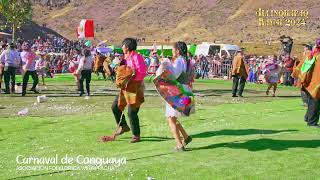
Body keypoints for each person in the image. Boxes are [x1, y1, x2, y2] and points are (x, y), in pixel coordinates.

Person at [111, 38, 147, 143]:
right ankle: (124, 126)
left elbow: (142, 73)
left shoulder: (137, 57)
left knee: (132, 112)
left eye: (123, 46)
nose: (122, 48)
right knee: (115, 106)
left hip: (135, 88)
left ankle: (136, 135)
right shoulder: (125, 58)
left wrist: (131, 75)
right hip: (125, 88)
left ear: (126, 47)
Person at [160, 41, 194, 151]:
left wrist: (165, 63)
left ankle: (179, 144)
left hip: (177, 92)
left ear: (178, 51)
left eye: (173, 49)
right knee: (173, 117)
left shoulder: (179, 60)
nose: (172, 51)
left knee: (170, 118)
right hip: (184, 91)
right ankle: (186, 137)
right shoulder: (187, 60)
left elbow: (174, 74)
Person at [300, 38, 320, 128]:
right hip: (316, 83)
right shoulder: (317, 56)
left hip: (311, 83)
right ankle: (312, 122)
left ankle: (308, 117)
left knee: (312, 102)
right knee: (315, 103)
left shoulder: (313, 55)